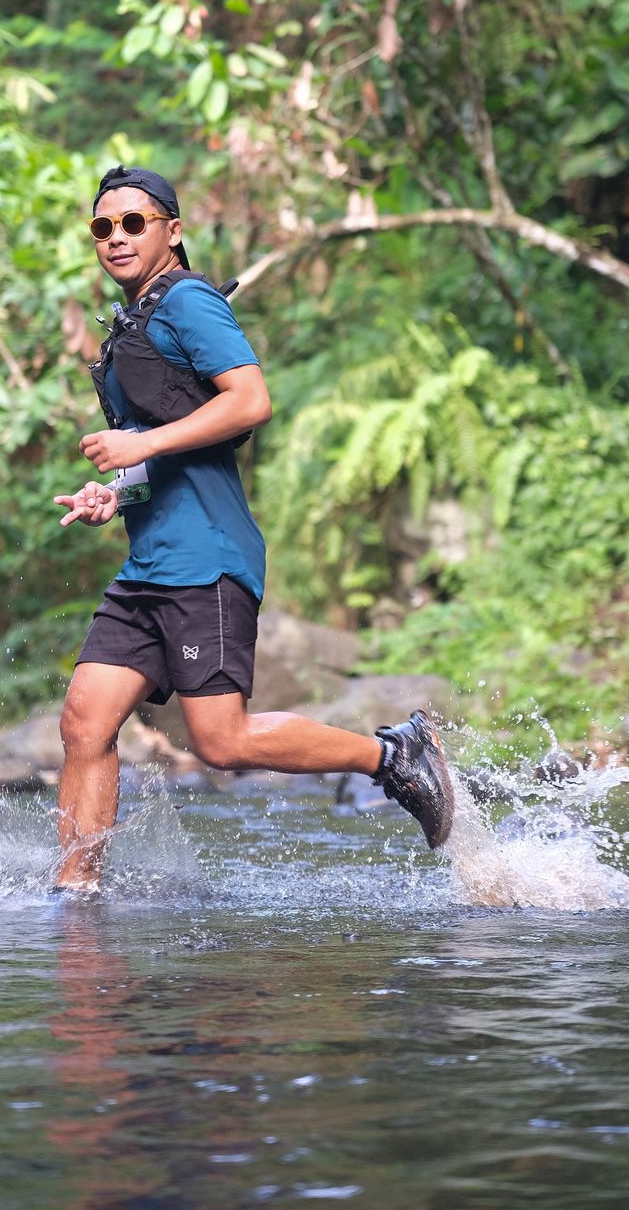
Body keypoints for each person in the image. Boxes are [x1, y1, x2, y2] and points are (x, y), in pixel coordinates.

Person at [51, 165, 455, 890]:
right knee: (85, 721)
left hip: (205, 559)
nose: (115, 238)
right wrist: (117, 489)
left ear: (171, 232)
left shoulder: (189, 303)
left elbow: (250, 400)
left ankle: (395, 755)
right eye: (102, 227)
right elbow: (176, 439)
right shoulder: (135, 321)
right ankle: (76, 895)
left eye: (132, 223)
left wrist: (138, 446)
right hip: (150, 563)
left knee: (222, 741)